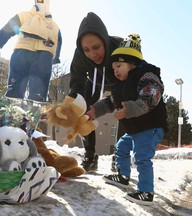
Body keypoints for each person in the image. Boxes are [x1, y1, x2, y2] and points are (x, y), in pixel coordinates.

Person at [86, 33, 168, 205]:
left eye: (119, 65)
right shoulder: (122, 85)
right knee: (121, 146)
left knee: (141, 157)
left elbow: (151, 97)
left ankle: (146, 192)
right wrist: (95, 111)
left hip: (150, 126)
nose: (115, 70)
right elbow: (111, 102)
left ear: (131, 64)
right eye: (114, 66)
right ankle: (123, 176)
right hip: (136, 129)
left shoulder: (146, 75)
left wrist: (128, 109)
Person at [69, 12, 123, 171]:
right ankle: (90, 155)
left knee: (124, 108)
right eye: (86, 49)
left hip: (120, 81)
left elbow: (132, 85)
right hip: (94, 81)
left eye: (96, 47)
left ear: (105, 41)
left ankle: (120, 157)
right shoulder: (80, 55)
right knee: (82, 109)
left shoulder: (120, 47)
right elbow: (76, 84)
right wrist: (72, 104)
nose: (92, 54)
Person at [0, 0, 62, 103]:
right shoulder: (53, 25)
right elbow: (58, 41)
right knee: (18, 87)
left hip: (39, 55)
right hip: (27, 52)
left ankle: (32, 112)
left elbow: (58, 41)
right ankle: (13, 110)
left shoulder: (53, 25)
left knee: (37, 91)